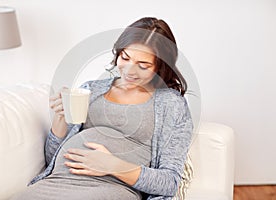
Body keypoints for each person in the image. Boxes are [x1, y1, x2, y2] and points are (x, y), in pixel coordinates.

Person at [11, 17, 193, 200]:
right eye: (125, 57)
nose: (130, 70)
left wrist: (113, 165)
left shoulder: (171, 105)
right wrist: (60, 118)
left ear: (160, 68)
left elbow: (170, 182)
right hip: (55, 183)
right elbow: (52, 159)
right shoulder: (90, 89)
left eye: (143, 65)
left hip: (109, 189)